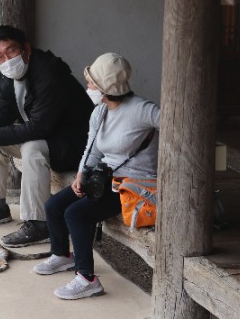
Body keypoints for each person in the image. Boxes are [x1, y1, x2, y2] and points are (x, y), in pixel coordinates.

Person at [32, 53, 159, 300]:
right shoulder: (100, 111)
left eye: (91, 83)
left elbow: (178, 127)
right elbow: (92, 150)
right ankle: (62, 255)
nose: (88, 86)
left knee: (76, 213)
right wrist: (81, 175)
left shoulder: (142, 110)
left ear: (104, 86)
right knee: (54, 206)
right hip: (103, 177)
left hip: (132, 184)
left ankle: (87, 279)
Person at [0, 26, 94, 248]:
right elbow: (3, 114)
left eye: (11, 51)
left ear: (26, 49)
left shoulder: (50, 74)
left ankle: (40, 224)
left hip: (75, 145)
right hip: (47, 137)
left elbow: (40, 127)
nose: (7, 60)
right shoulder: (6, 74)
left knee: (30, 148)